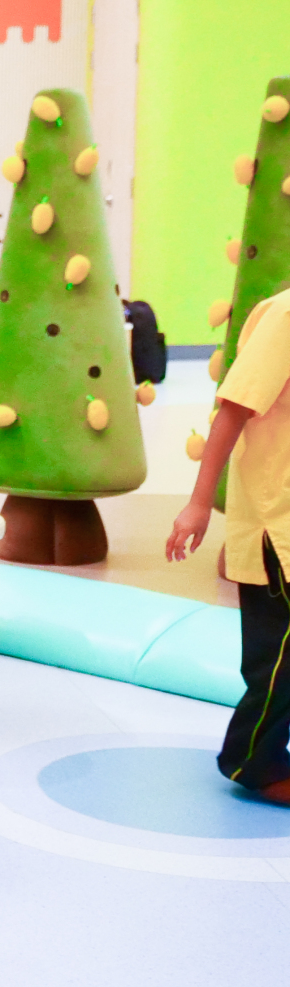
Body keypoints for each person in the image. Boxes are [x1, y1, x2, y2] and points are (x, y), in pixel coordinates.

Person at [167, 289, 290, 806]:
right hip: (276, 522)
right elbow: (233, 409)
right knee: (278, 659)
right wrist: (198, 504)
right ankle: (253, 762)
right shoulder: (285, 315)